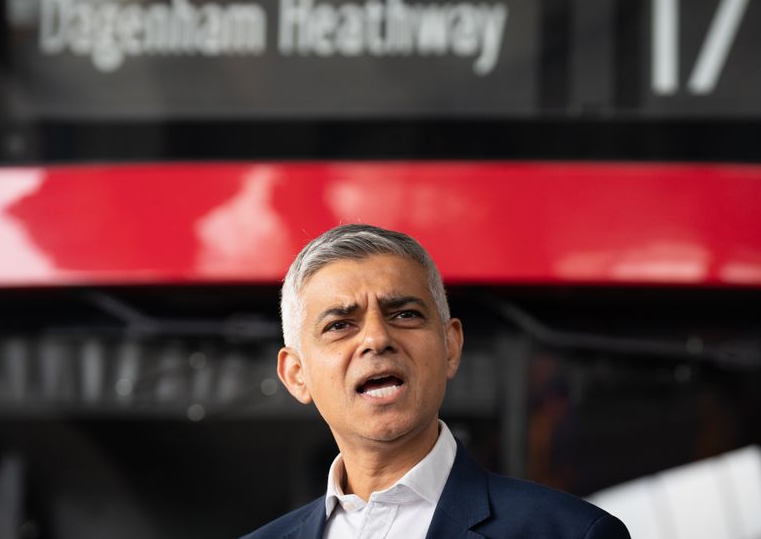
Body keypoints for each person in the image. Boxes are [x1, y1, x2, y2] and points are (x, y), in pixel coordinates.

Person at [241, 224, 630, 539]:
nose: (377, 339)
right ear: (296, 374)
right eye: (340, 325)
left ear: (450, 346)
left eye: (405, 315)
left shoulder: (570, 533)